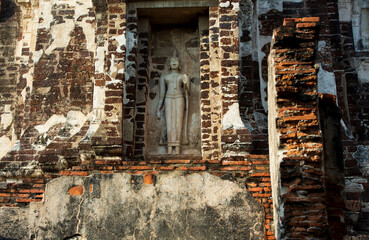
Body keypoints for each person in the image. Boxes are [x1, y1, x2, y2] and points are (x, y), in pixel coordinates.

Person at [156, 57, 189, 154]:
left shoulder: (182, 76)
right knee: (169, 122)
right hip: (168, 98)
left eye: (176, 61)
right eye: (172, 61)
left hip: (179, 97)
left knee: (178, 122)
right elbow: (162, 94)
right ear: (169, 64)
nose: (174, 62)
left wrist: (186, 84)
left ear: (180, 64)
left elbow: (187, 92)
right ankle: (170, 147)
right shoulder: (165, 77)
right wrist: (158, 108)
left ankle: (177, 147)